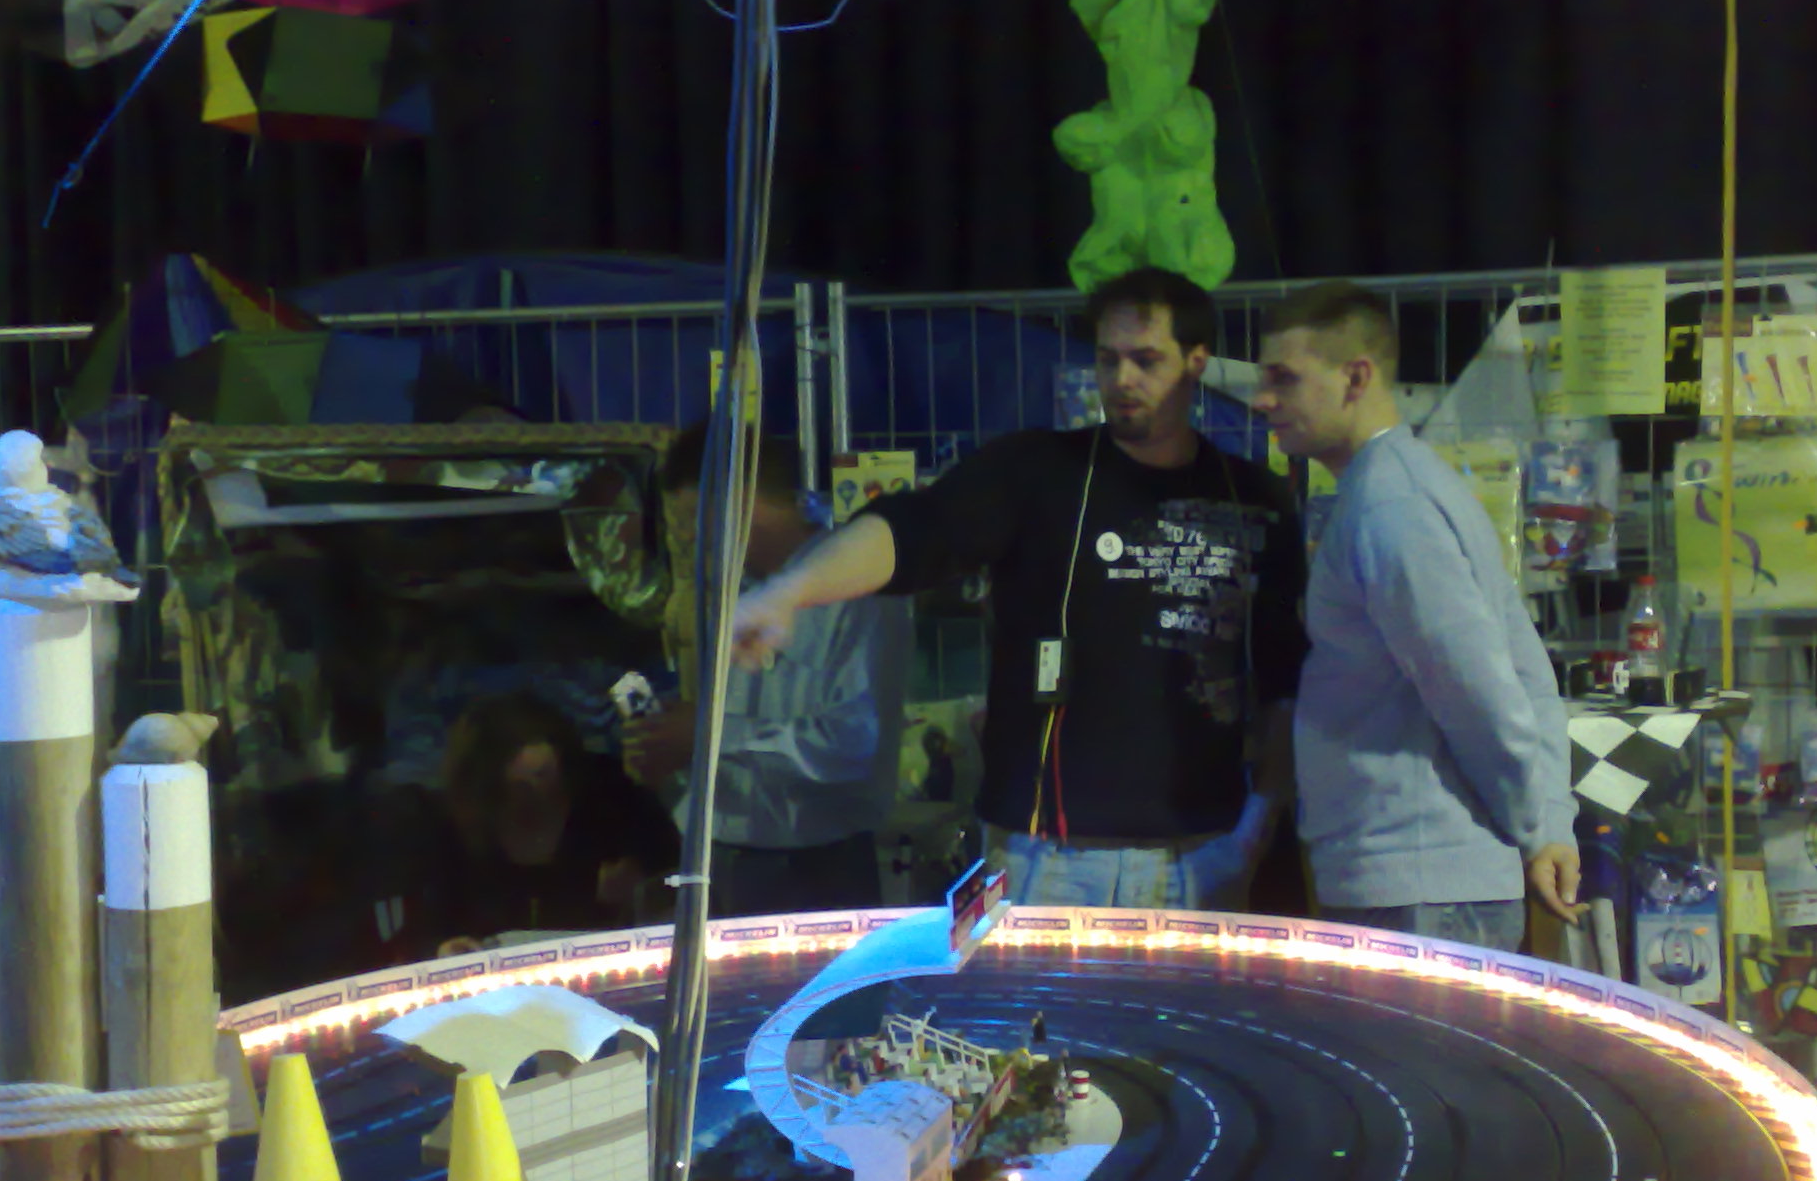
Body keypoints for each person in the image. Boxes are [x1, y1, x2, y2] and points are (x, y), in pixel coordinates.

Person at [729, 269, 1305, 910]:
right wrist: (791, 589)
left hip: (1201, 853)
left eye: (1146, 361)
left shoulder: (1253, 498)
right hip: (1048, 857)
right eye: (1108, 359)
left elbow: (1285, 679)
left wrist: (1256, 826)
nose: (1122, 379)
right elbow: (913, 530)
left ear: (1196, 363)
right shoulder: (1038, 472)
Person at [1251, 281, 1578, 951]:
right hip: (1421, 881)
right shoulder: (1405, 486)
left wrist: (1537, 825)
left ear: (1356, 377)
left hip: (1418, 888)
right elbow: (1524, 671)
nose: (1262, 399)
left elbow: (1480, 693)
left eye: (1284, 378)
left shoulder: (1390, 507)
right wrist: (1544, 822)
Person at [621, 425, 910, 918]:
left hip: (814, 872)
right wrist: (672, 745)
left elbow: (850, 745)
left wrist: (708, 735)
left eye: (691, 520)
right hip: (722, 857)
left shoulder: (857, 592)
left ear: (739, 506)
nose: (687, 540)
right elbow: (734, 739)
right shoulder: (734, 594)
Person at [430, 691, 680, 951]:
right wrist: (450, 948)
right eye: (520, 789)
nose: (536, 802)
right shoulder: (455, 835)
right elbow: (435, 931)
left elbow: (677, 889)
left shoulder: (616, 800)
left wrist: (640, 894)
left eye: (546, 779)